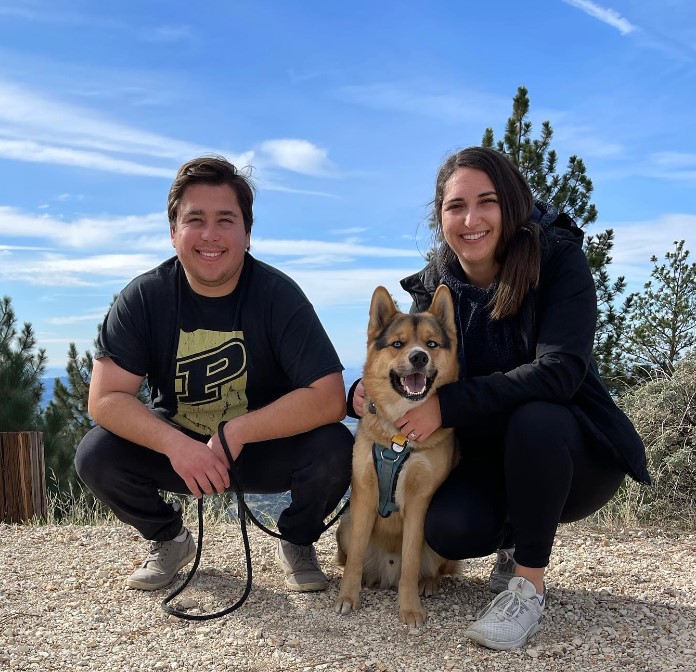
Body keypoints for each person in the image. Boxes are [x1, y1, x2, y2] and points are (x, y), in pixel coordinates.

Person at [349, 146, 649, 650]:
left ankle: (526, 587)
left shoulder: (558, 261)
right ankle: (512, 537)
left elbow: (561, 373)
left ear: (512, 204)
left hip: (572, 456)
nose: (471, 219)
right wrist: (364, 394)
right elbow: (405, 365)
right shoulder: (434, 288)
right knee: (448, 529)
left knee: (534, 418)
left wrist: (448, 405)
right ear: (439, 216)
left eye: (486, 202)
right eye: (455, 207)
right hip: (489, 459)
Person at [75, 156, 353, 594]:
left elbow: (329, 396)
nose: (210, 235)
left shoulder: (279, 296)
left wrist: (237, 432)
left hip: (261, 444)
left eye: (226, 219)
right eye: (195, 219)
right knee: (96, 454)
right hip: (182, 449)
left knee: (336, 446)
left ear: (247, 233)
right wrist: (175, 444)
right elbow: (105, 398)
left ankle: (296, 540)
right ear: (173, 232)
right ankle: (169, 540)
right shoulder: (143, 297)